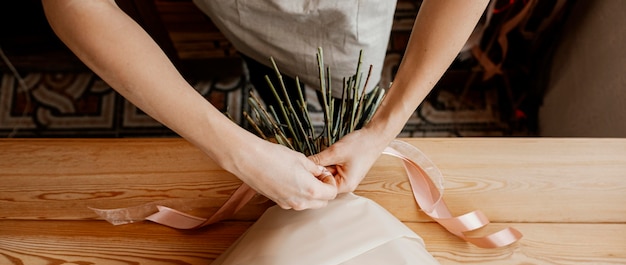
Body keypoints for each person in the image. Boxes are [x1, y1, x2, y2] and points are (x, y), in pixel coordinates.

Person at [42, 0, 490, 210]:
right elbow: (74, 5)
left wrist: (381, 129)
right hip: (240, 13)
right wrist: (240, 152)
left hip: (349, 22)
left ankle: (346, 119)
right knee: (271, 79)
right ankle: (277, 106)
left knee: (352, 92)